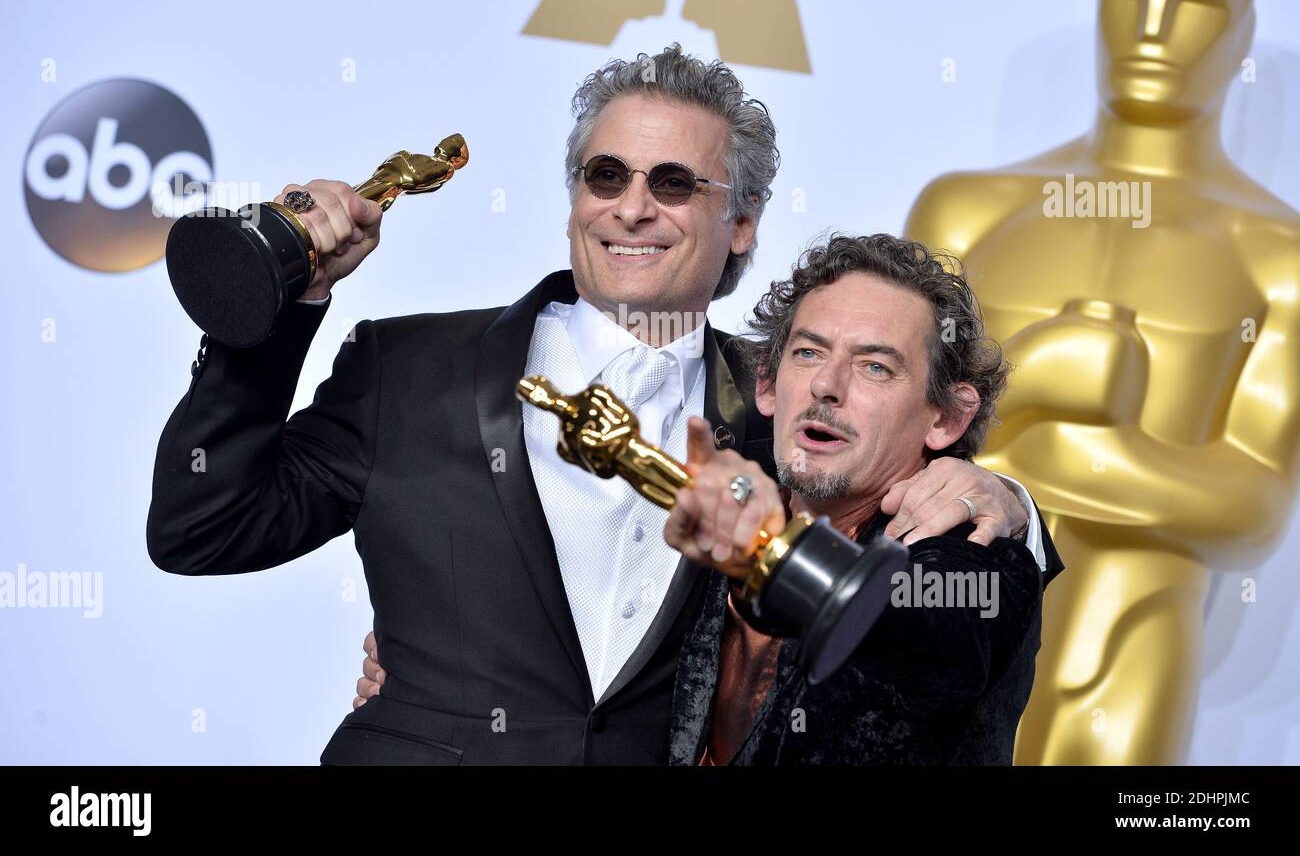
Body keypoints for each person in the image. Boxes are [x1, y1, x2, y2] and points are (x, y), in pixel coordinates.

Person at [149, 45, 1051, 765]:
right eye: (606, 175)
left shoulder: (783, 408)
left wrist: (1014, 504)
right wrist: (270, 306)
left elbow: (903, 552)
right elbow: (205, 525)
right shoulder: (410, 365)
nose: (630, 207)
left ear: (741, 223)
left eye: (672, 183)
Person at [662, 233, 1063, 765]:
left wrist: (771, 555)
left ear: (947, 417)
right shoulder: (724, 505)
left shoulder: (981, 554)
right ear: (767, 385)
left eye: (875, 366)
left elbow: (937, 645)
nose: (826, 384)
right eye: (808, 352)